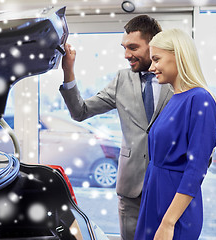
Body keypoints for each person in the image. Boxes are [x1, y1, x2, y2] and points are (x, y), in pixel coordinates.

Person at [59, 15, 173, 240]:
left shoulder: (175, 79)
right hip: (131, 188)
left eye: (133, 47)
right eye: (124, 47)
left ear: (153, 45)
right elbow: (80, 111)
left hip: (167, 187)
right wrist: (68, 71)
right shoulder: (121, 80)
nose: (126, 54)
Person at [134, 28, 216, 240]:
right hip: (155, 197)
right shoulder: (175, 98)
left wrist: (169, 221)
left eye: (157, 59)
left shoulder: (199, 99)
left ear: (178, 56)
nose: (152, 67)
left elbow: (196, 168)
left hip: (174, 208)